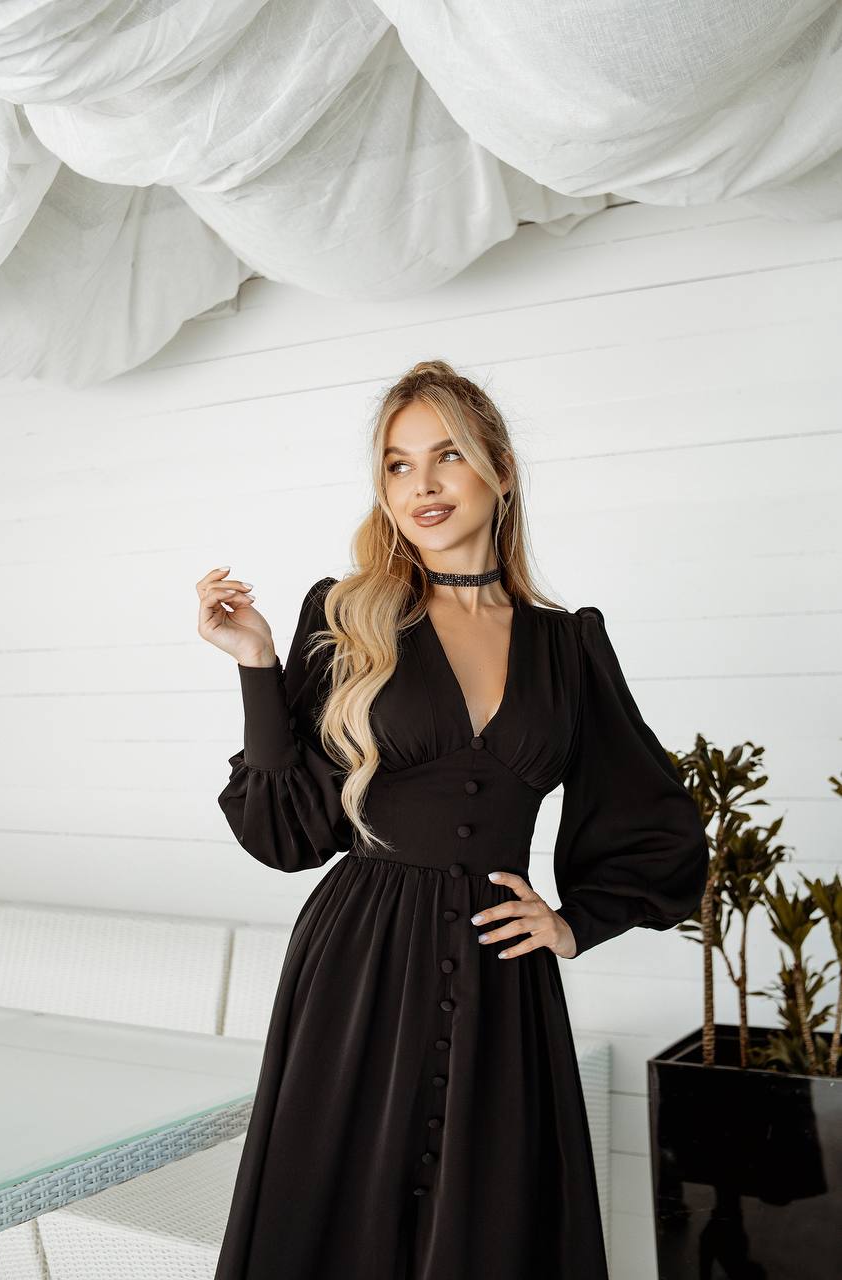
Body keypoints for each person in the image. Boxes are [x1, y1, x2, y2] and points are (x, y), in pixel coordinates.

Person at [196, 358, 709, 1279]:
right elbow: (286, 834)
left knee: (492, 1222)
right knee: (334, 1214)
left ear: (499, 470)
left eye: (446, 457)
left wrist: (574, 921)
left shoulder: (567, 644)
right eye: (396, 464)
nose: (421, 486)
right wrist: (257, 664)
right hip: (357, 962)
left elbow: (654, 820)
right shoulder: (348, 614)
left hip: (499, 970)